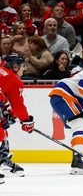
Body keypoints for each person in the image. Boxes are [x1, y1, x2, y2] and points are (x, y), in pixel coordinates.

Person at [0, 54, 35, 182]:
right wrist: (26, 121)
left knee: (2, 127)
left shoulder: (2, 71)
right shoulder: (13, 79)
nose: (24, 69)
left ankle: (3, 161)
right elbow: (18, 106)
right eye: (22, 66)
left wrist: (5, 110)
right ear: (14, 67)